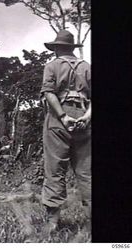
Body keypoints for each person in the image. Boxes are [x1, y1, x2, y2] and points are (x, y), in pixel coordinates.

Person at [40, 30, 91, 235]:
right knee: (87, 172)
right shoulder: (87, 67)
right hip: (85, 118)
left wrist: (62, 116)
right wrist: (87, 117)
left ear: (57, 48)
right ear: (72, 48)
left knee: (54, 169)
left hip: (59, 119)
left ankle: (52, 223)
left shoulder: (52, 66)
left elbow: (49, 93)